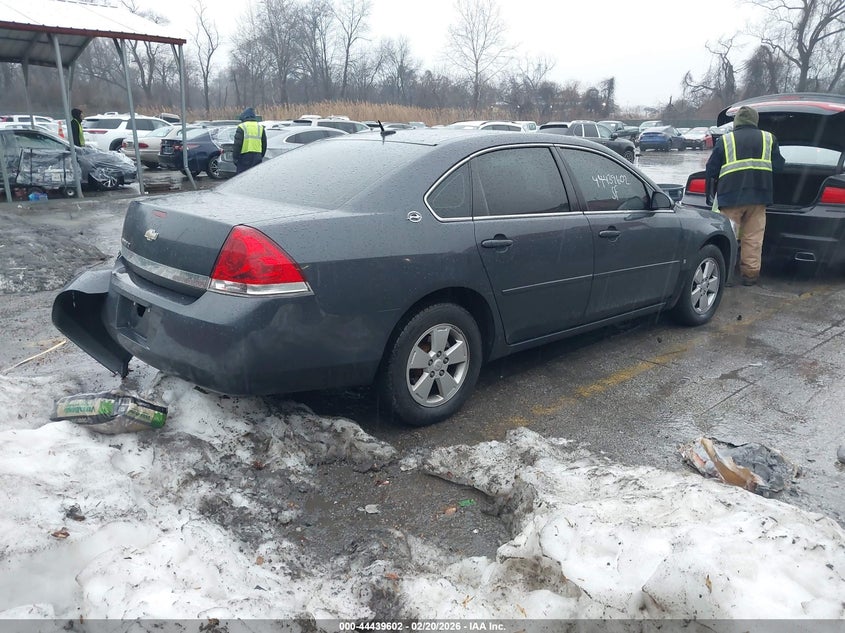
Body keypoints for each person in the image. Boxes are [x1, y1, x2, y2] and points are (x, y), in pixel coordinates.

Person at [705, 105, 784, 286]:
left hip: (730, 198)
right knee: (753, 238)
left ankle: (725, 276)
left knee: (729, 237)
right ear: (755, 121)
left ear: (737, 121)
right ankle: (750, 275)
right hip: (759, 198)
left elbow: (711, 170)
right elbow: (779, 167)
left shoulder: (726, 140)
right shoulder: (768, 138)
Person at [232, 107, 266, 174]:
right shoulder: (260, 127)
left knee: (242, 178)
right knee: (255, 177)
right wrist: (260, 156)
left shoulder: (242, 126)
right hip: (257, 156)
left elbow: (237, 145)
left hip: (244, 157)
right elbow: (264, 144)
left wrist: (235, 158)